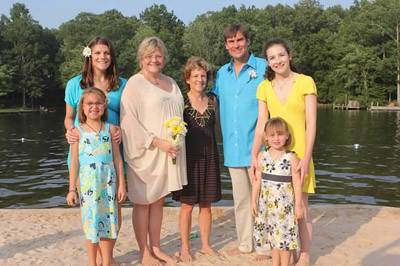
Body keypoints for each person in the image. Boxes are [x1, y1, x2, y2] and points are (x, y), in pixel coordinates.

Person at [120, 36, 187, 266]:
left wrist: (177, 138)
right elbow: (129, 122)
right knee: (143, 202)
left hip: (169, 153)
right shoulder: (134, 84)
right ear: (141, 58)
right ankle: (143, 252)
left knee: (158, 201)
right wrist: (157, 142)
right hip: (146, 152)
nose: (154, 60)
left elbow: (178, 112)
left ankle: (156, 247)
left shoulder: (171, 82)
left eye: (158, 56)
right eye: (149, 56)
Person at [252, 38, 317, 266]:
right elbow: (261, 124)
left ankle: (305, 253)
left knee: (302, 206)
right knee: (277, 205)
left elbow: (311, 124)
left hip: (299, 153)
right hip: (273, 156)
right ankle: (280, 248)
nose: (277, 60)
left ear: (289, 56)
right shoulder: (264, 87)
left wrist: (306, 158)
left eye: (281, 55)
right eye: (272, 57)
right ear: (268, 63)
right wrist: (254, 155)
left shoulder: (306, 82)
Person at [64, 36, 127, 265]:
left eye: (107, 53)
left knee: (112, 211)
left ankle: (107, 257)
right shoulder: (74, 84)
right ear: (90, 55)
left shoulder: (122, 84)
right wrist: (70, 131)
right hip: (84, 154)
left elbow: (130, 115)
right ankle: (98, 259)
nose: (102, 57)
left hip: (112, 151)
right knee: (91, 212)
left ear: (112, 57)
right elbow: (69, 118)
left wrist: (121, 130)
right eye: (98, 53)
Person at [212, 24, 268, 256]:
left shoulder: (264, 67)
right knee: (241, 200)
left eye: (239, 40)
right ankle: (245, 243)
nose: (236, 45)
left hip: (261, 147)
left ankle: (265, 245)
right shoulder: (221, 74)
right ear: (226, 45)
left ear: (247, 41)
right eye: (231, 41)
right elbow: (212, 104)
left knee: (264, 199)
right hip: (233, 150)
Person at [172, 57, 221, 262]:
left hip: (210, 157)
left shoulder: (213, 100)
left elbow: (220, 128)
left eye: (203, 75)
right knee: (187, 206)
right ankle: (184, 247)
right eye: (195, 76)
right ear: (187, 79)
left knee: (207, 205)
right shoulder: (180, 102)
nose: (200, 79)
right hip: (188, 160)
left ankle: (206, 245)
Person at [252, 117, 303, 266]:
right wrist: (253, 200)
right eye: (272, 135)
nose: (276, 138)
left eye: (280, 134)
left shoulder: (291, 158)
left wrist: (298, 205)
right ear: (266, 137)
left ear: (287, 135)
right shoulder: (262, 156)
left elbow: (297, 183)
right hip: (267, 206)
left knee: (285, 239)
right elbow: (257, 181)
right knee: (273, 237)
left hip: (285, 207)